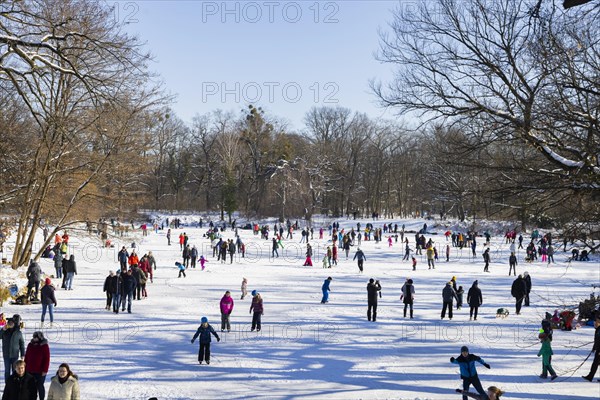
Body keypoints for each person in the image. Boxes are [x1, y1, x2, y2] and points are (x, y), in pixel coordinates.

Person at [24, 331, 50, 400]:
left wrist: (45, 370)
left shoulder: (44, 346)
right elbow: (26, 356)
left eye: (36, 337)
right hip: (30, 369)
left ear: (40, 337)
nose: (35, 339)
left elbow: (46, 359)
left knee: (40, 386)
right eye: (34, 337)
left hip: (40, 371)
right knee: (31, 386)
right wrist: (24, 367)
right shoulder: (30, 345)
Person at [582, 312, 600, 382]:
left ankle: (590, 376)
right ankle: (590, 376)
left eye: (597, 321)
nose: (595, 322)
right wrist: (594, 348)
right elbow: (596, 340)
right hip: (598, 349)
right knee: (595, 364)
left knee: (595, 364)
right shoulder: (598, 329)